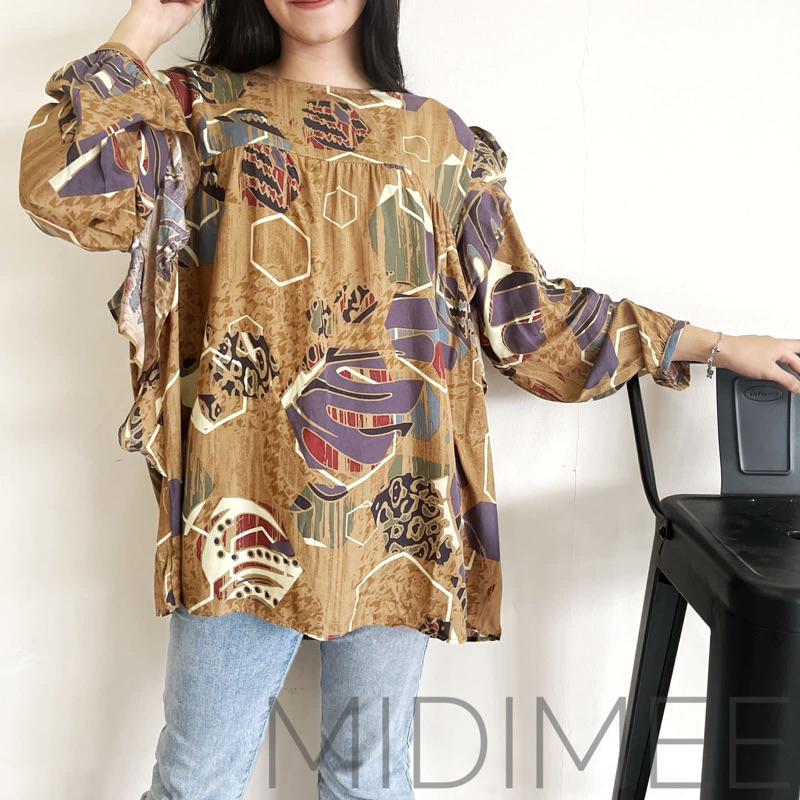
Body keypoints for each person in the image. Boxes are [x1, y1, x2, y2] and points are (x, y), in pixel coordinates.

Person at [17, 0, 800, 797]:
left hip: (400, 519)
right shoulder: (192, 114)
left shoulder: (438, 143)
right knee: (195, 780)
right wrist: (146, 25)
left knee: (370, 783)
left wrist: (709, 343)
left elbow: (528, 321)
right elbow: (57, 189)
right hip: (238, 505)